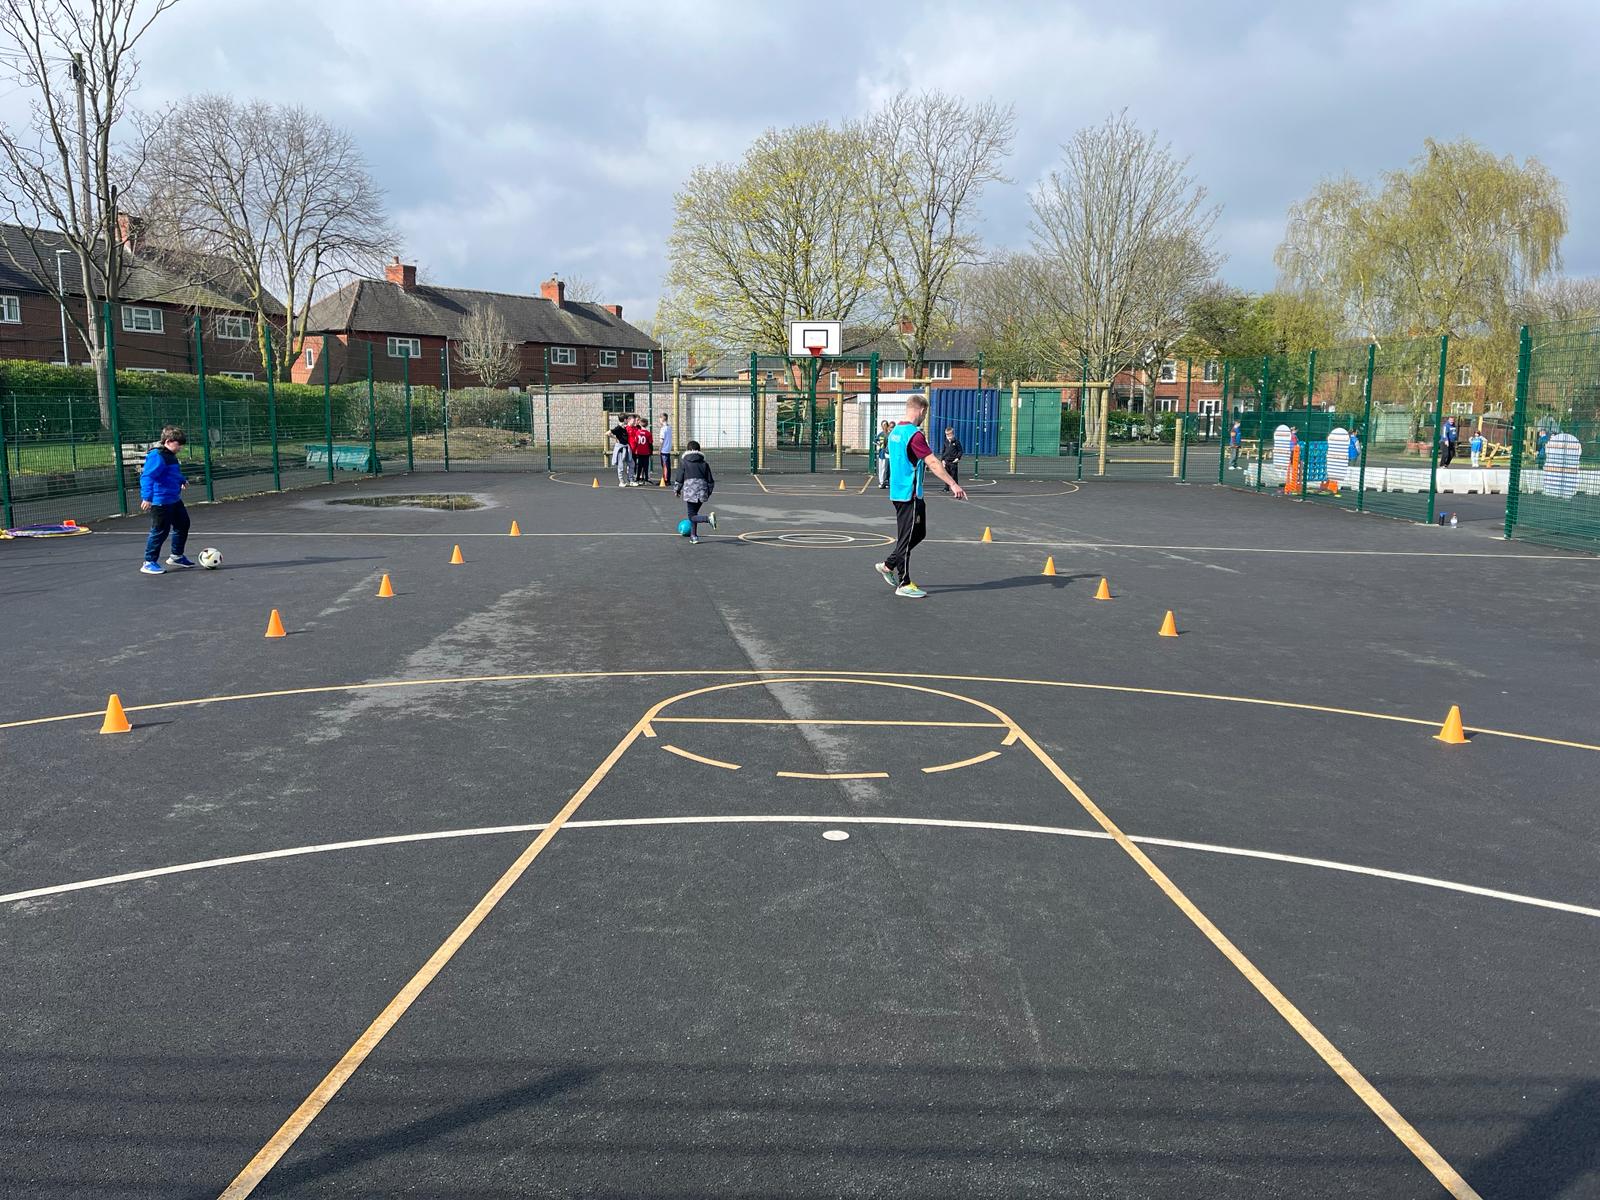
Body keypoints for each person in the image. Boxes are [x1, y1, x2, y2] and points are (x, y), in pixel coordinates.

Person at [873, 394, 966, 599]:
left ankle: (889, 565)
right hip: (909, 493)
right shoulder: (914, 435)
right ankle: (904, 583)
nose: (925, 417)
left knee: (919, 533)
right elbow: (932, 462)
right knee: (906, 538)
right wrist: (952, 483)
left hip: (900, 491)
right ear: (922, 411)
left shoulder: (894, 432)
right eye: (925, 413)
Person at [140, 425, 192, 574]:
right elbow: (147, 477)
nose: (180, 448)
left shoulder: (170, 455)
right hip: (160, 501)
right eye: (178, 444)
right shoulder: (157, 456)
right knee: (160, 531)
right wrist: (147, 497)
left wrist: (182, 480)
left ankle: (176, 556)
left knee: (183, 524)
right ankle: (149, 562)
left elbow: (172, 473)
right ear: (168, 441)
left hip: (173, 499)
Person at [673, 439, 718, 544]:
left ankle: (708, 519)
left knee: (691, 516)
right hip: (702, 491)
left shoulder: (684, 462)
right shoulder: (704, 464)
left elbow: (679, 478)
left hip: (690, 491)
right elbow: (710, 481)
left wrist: (677, 490)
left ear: (688, 450)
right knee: (694, 514)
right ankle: (694, 536)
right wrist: (708, 492)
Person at [610, 415, 633, 487]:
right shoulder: (618, 428)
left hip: (626, 447)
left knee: (631, 463)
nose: (628, 420)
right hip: (620, 449)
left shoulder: (624, 427)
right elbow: (607, 433)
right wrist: (616, 438)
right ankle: (621, 481)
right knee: (621, 466)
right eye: (627, 419)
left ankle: (631, 480)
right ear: (624, 419)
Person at [939, 426, 963, 492]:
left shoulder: (957, 442)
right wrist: (942, 460)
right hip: (946, 461)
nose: (948, 436)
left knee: (954, 475)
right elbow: (943, 451)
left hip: (953, 462)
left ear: (953, 434)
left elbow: (960, 451)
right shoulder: (945, 442)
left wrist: (957, 458)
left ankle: (956, 488)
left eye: (950, 435)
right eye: (947, 435)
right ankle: (946, 488)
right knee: (946, 475)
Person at [632, 416, 653, 483]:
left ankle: (637, 478)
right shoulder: (648, 433)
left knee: (639, 466)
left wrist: (635, 450)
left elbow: (636, 442)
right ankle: (646, 478)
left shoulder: (637, 433)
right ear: (647, 425)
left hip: (639, 452)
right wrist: (651, 452)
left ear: (640, 424)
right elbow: (650, 444)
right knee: (646, 466)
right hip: (646, 452)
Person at [875, 420, 891, 488]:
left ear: (887, 426)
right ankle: (881, 482)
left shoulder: (890, 434)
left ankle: (886, 481)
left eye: (885, 425)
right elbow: (875, 441)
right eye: (882, 425)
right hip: (881, 453)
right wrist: (879, 444)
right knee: (881, 468)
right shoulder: (881, 434)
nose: (884, 427)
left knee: (886, 468)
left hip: (887, 454)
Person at [658, 413, 673, 481]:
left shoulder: (663, 429)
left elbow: (662, 440)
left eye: (659, 418)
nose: (659, 420)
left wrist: (659, 449)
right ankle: (666, 479)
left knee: (665, 466)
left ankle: (666, 480)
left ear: (662, 419)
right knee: (667, 465)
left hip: (664, 450)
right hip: (668, 449)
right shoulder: (669, 428)